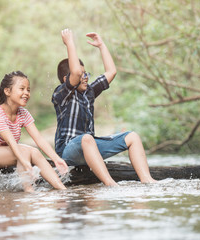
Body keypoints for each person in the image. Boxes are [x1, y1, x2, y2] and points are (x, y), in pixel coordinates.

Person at [52, 29, 157, 186]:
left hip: (90, 147)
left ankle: (147, 180)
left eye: (86, 73)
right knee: (86, 139)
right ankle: (110, 184)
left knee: (132, 137)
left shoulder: (89, 92)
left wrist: (101, 46)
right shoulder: (61, 95)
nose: (85, 77)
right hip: (68, 151)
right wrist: (70, 43)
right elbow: (74, 72)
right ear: (67, 79)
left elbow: (111, 72)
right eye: (81, 74)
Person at [0, 71, 68, 192]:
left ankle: (62, 188)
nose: (26, 93)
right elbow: (12, 143)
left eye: (28, 90)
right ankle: (29, 191)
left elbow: (39, 139)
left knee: (34, 151)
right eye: (22, 89)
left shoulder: (23, 113)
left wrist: (56, 159)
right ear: (7, 91)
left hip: (5, 150)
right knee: (24, 151)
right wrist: (26, 164)